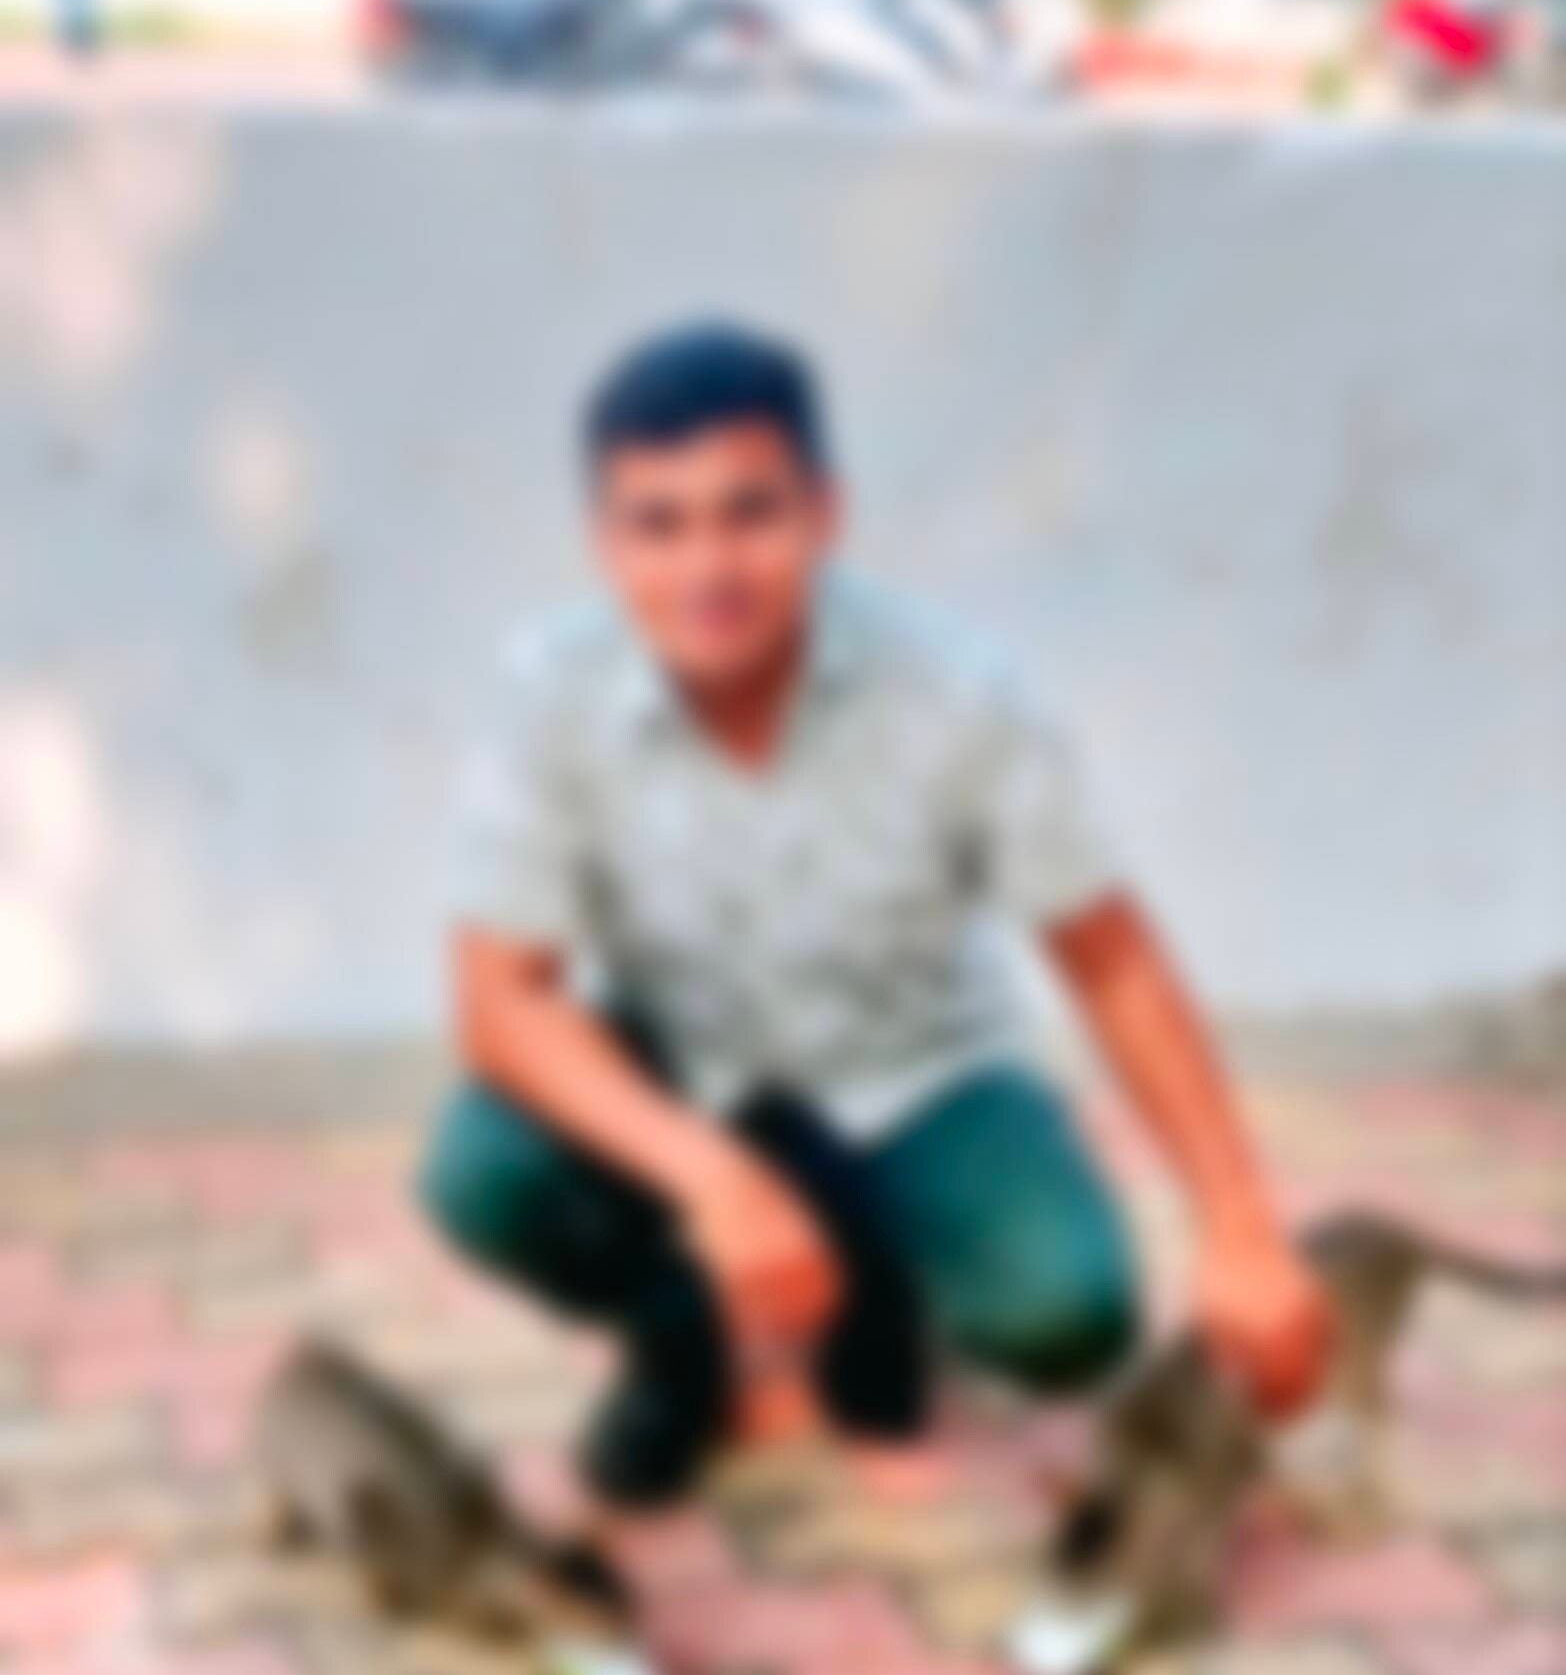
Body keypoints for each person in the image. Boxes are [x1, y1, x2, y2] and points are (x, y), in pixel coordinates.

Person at [421, 323, 1332, 1507]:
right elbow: (501, 1001)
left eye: (750, 511)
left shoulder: (958, 691)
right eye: (658, 522)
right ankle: (677, 1336)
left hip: (914, 1071)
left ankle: (881, 1295)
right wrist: (711, 1177)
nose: (707, 566)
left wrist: (1242, 1224)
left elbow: (1111, 958)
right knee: (484, 1170)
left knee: (1068, 1314)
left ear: (825, 512)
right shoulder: (550, 687)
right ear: (605, 542)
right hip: (687, 1064)